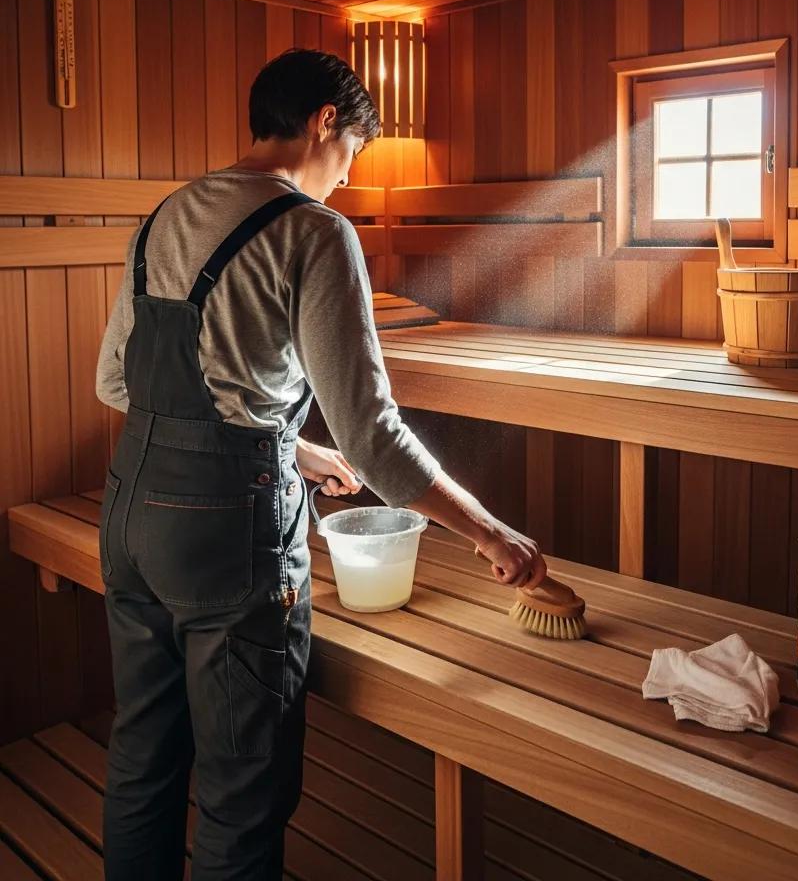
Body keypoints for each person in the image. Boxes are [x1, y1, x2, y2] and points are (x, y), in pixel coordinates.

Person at [95, 47, 547, 880]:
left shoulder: (162, 216)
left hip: (129, 517)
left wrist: (291, 446)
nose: (345, 177)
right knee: (241, 792)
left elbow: (117, 381)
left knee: (142, 765)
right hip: (228, 538)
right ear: (325, 123)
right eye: (353, 156)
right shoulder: (312, 230)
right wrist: (488, 531)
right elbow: (373, 433)